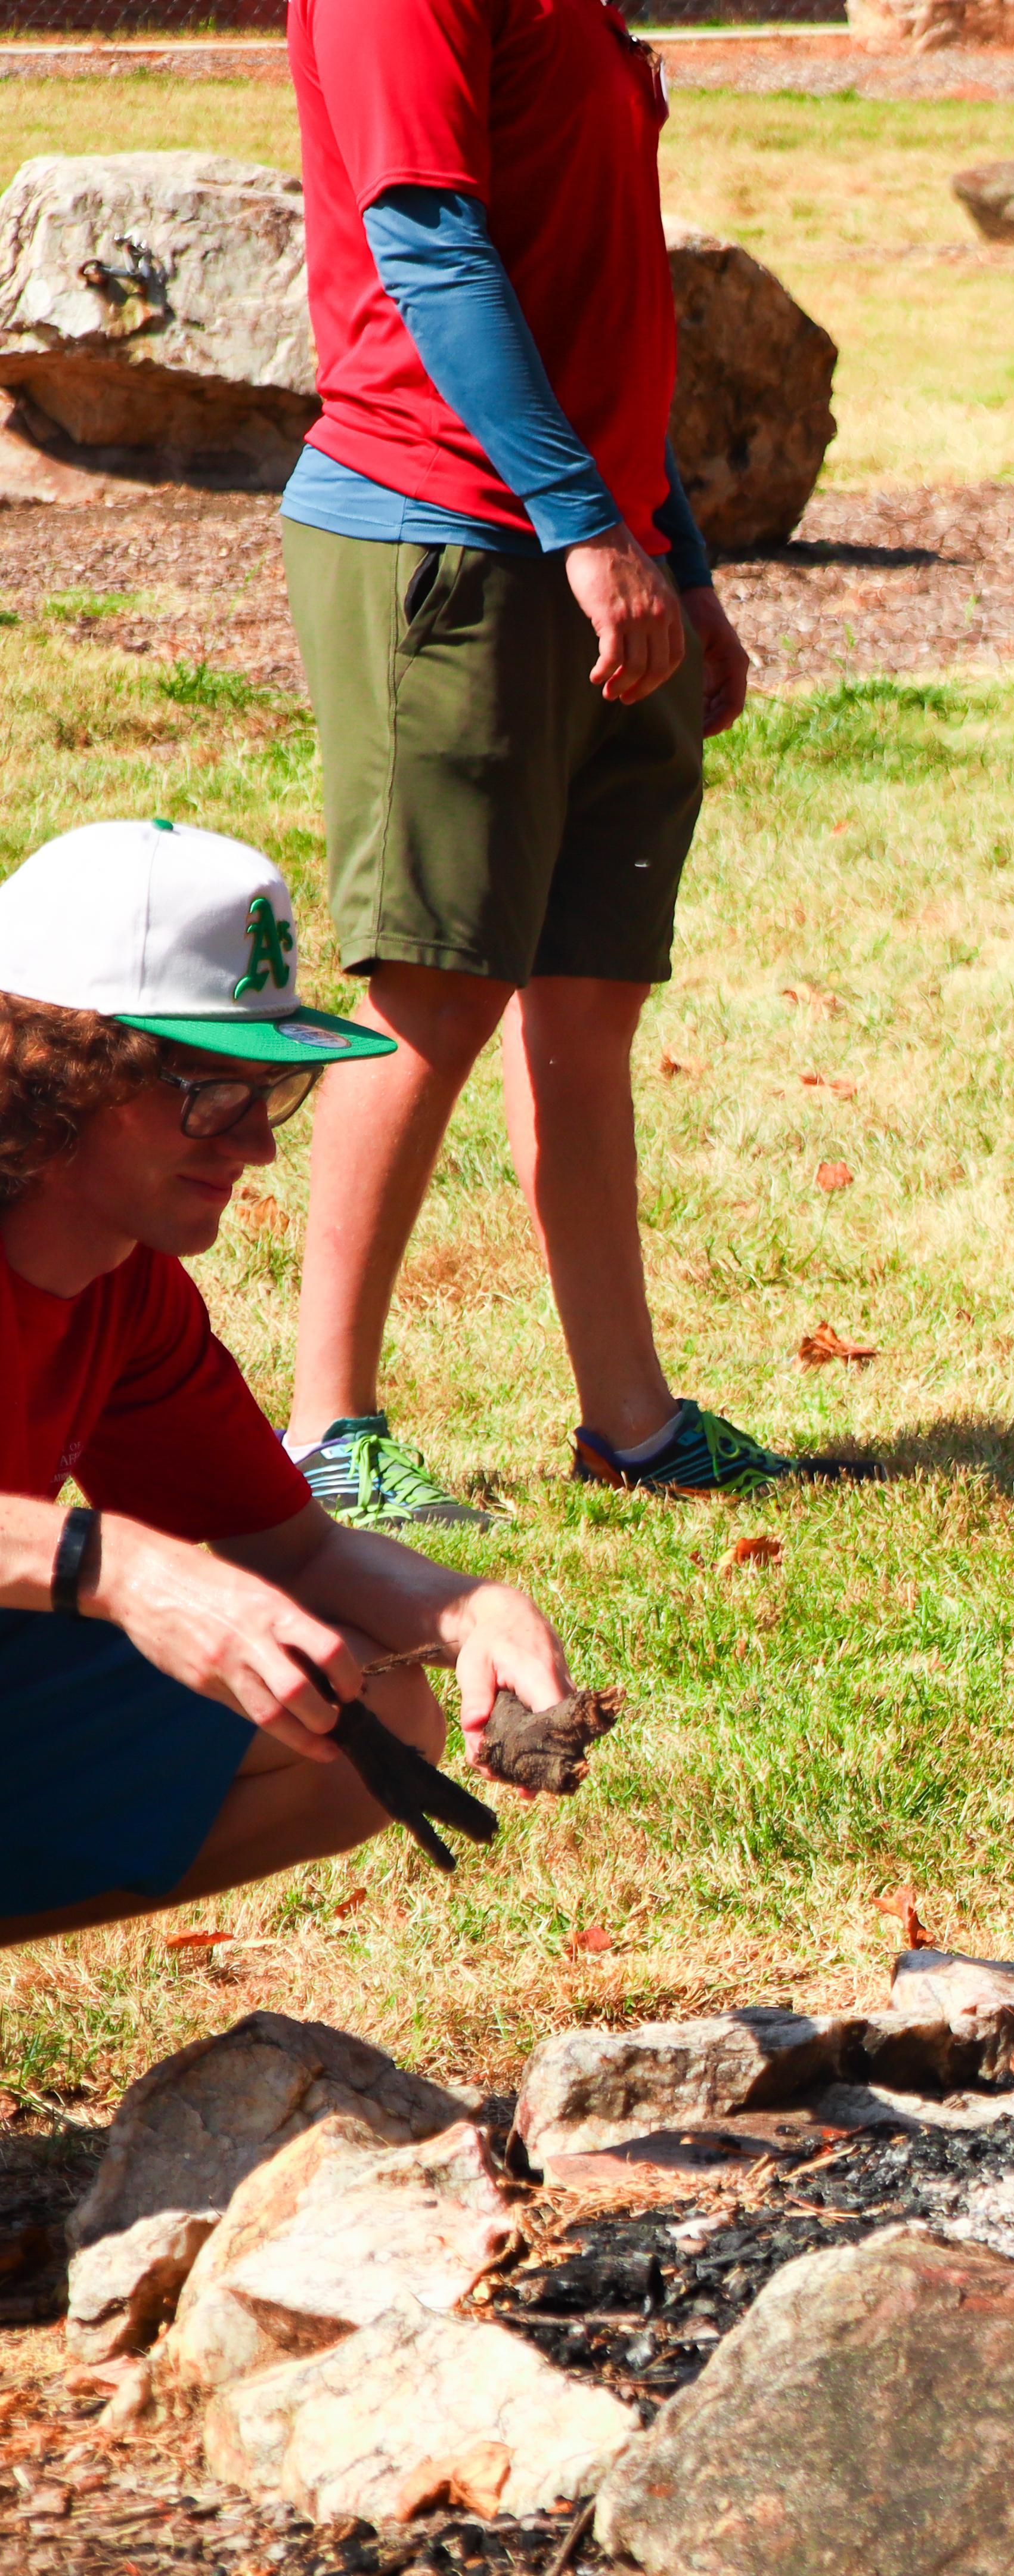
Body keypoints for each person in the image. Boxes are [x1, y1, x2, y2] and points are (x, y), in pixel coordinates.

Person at [282, 0, 850, 1515]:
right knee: (433, 983)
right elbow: (430, 239)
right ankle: (329, 1434)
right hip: (449, 536)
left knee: (585, 995)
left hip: (604, 548)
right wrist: (586, 527)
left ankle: (634, 1424)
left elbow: (605, 302)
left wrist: (684, 562)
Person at [1, 823, 575, 1948]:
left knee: (368, 1716)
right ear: (62, 1071)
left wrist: (471, 1611)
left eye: (274, 1094)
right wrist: (120, 1568)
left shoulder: (128, 1286)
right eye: (215, 1093)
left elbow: (295, 1552)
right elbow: (133, 1569)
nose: (257, 1147)